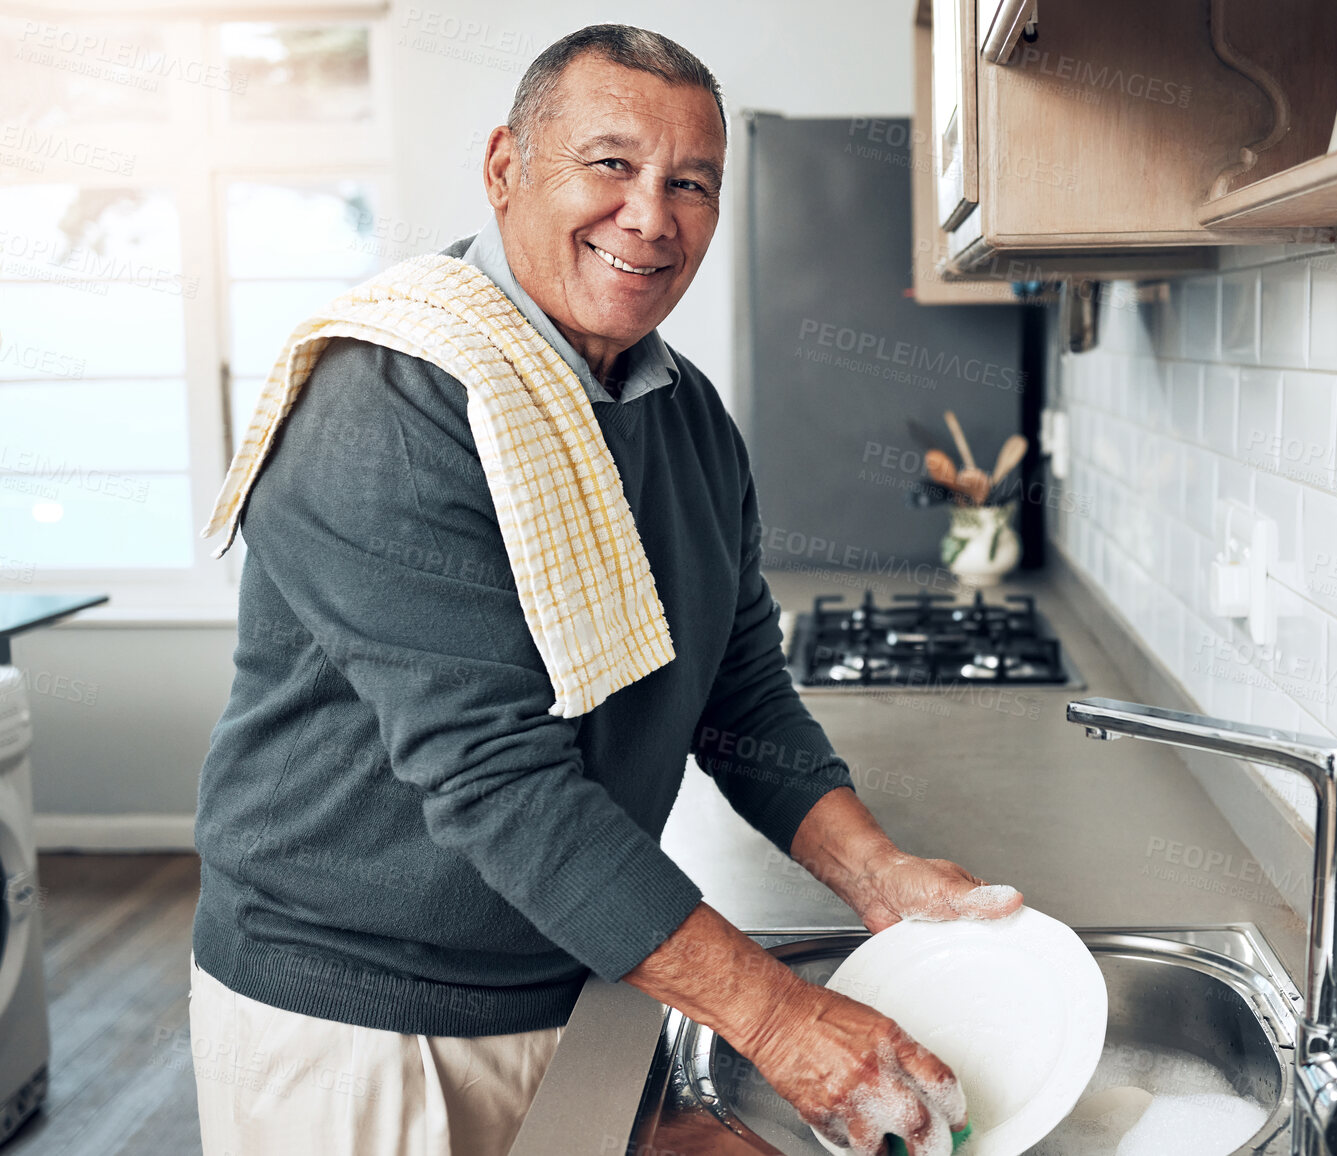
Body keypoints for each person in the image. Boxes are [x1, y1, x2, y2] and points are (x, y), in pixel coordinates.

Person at [187, 23, 1021, 1156]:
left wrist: (878, 873)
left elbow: (740, 694)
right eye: (611, 164)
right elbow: (498, 784)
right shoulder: (386, 402)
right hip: (363, 1021)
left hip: (581, 969)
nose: (651, 215)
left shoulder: (682, 415)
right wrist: (777, 1015)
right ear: (504, 167)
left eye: (691, 183)